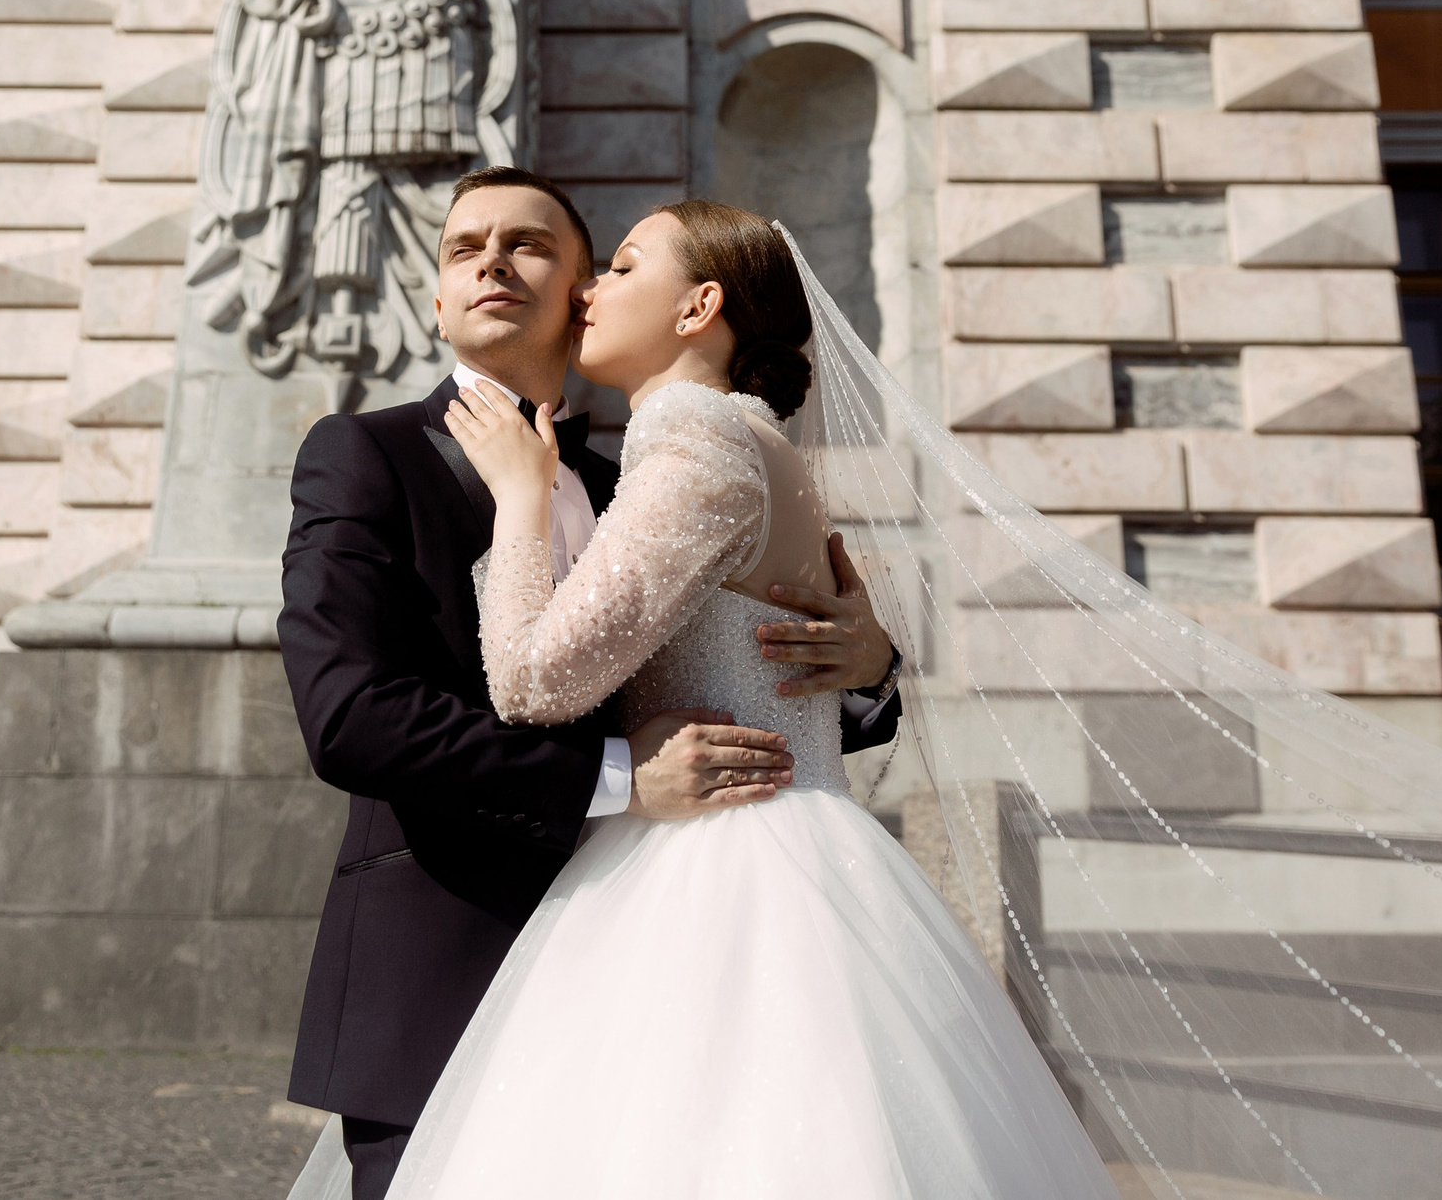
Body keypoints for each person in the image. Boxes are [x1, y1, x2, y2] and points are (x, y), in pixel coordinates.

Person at [394, 199, 1119, 1198]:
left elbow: (531, 681)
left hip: (716, 866)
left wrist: (522, 497)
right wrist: (870, 657)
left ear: (698, 305)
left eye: (622, 265)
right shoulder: (750, 440)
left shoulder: (691, 446)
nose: (589, 287)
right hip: (802, 845)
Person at [275, 169, 905, 1200]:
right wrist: (619, 775)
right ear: (436, 299)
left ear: (579, 296)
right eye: (461, 246)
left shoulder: (639, 473)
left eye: (528, 243)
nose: (488, 258)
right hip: (442, 962)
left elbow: (747, 662)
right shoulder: (365, 454)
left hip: (672, 971)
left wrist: (868, 664)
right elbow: (349, 715)